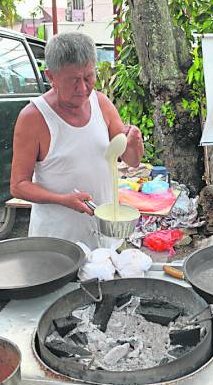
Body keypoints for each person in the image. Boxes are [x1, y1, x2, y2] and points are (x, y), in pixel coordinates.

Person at [10, 32, 144, 249]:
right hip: (58, 241)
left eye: (88, 77)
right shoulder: (33, 118)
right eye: (73, 81)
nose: (83, 89)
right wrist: (63, 199)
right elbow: (18, 186)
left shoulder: (102, 104)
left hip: (104, 236)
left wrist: (135, 142)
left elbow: (132, 160)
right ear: (51, 77)